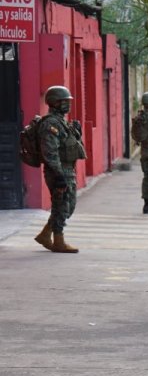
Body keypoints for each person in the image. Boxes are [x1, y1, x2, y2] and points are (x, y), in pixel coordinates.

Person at [33, 85, 85, 254]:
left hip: (67, 169)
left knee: (66, 206)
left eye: (68, 101)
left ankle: (45, 234)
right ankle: (58, 240)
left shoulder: (61, 122)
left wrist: (77, 133)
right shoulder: (50, 124)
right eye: (63, 101)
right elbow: (50, 152)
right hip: (58, 171)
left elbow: (69, 144)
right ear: (54, 103)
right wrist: (59, 175)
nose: (67, 104)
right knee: (62, 206)